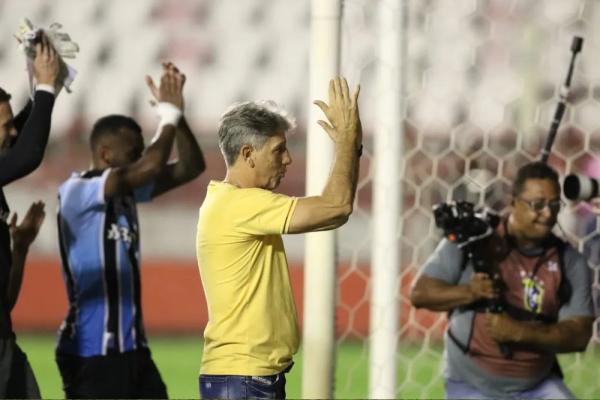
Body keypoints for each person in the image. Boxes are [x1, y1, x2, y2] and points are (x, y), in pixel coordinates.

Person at [196, 77, 362, 399]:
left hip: (244, 378)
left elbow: (336, 210)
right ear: (248, 153)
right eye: (279, 150)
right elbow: (337, 207)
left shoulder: (232, 203)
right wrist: (347, 141)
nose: (287, 160)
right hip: (243, 379)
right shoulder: (239, 204)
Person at [55, 62, 205, 399]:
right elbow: (152, 165)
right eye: (132, 153)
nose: (141, 160)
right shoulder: (77, 191)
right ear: (106, 154)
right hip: (92, 353)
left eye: (140, 153)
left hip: (133, 350)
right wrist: (166, 113)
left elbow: (190, 166)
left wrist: (177, 117)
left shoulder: (126, 193)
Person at [410, 161, 594, 399]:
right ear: (513, 202)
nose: (547, 214)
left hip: (537, 386)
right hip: (472, 384)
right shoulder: (473, 237)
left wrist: (519, 332)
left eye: (554, 205)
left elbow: (579, 336)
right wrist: (470, 292)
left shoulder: (569, 260)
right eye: (537, 205)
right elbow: (420, 294)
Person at [0, 33, 61, 398]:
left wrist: (19, 249)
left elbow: (5, 302)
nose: (11, 132)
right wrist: (47, 89)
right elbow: (26, 154)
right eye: (4, 125)